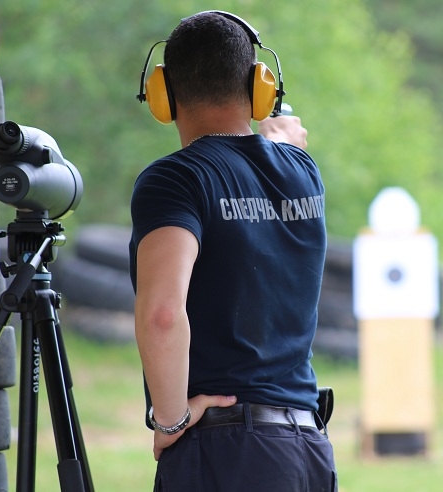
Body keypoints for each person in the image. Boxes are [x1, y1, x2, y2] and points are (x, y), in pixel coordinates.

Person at [129, 10, 337, 492]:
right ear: (261, 89)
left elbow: (162, 314)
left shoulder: (174, 180)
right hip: (308, 448)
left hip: (227, 452)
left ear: (163, 94)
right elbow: (277, 143)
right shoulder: (303, 170)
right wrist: (283, 141)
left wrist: (170, 421)